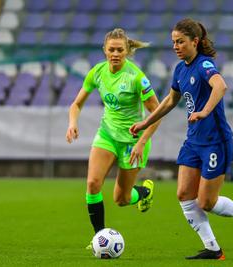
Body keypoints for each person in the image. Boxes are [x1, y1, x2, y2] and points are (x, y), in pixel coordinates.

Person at [130, 18, 233, 260]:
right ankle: (213, 249)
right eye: (173, 42)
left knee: (206, 202)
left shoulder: (204, 64)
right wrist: (145, 123)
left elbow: (220, 86)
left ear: (195, 41)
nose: (175, 46)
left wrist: (205, 111)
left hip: (215, 142)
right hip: (193, 142)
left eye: (180, 42)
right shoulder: (180, 69)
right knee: (183, 195)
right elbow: (170, 101)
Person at [65, 28, 161, 248]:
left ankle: (144, 192)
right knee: (92, 183)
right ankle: (99, 238)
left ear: (127, 51)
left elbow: (157, 113)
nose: (115, 53)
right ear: (104, 50)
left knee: (121, 199)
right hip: (107, 135)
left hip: (132, 142)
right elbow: (76, 104)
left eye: (120, 49)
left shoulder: (137, 77)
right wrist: (72, 123)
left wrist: (141, 142)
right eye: (111, 49)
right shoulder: (97, 72)